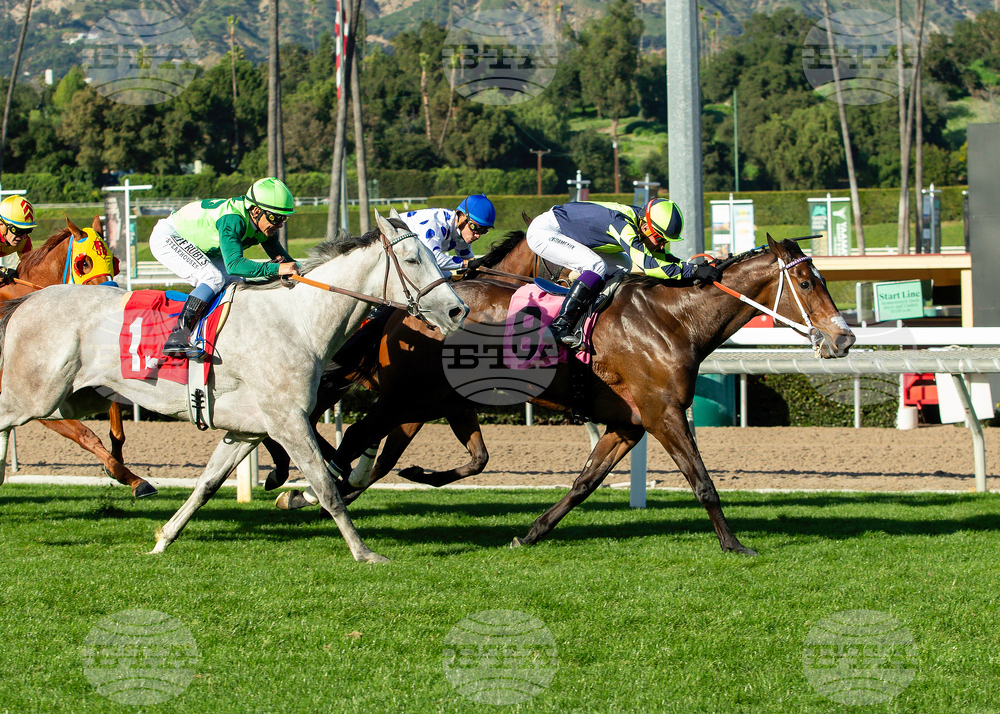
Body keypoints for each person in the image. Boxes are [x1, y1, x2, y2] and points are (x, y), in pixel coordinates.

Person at [525, 198, 723, 347]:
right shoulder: (623, 225)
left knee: (624, 265)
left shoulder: (642, 224)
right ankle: (560, 326)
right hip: (546, 232)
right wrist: (692, 271)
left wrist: (694, 268)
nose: (662, 245)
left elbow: (660, 257)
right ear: (645, 227)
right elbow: (650, 265)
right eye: (660, 239)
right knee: (595, 266)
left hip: (571, 233)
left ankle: (590, 315)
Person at [150, 177, 300, 359]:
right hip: (170, 236)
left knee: (237, 282)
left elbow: (288, 264)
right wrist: (275, 269)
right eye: (275, 217)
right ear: (255, 210)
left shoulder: (265, 226)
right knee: (212, 277)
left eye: (284, 218)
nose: (280, 224)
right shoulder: (233, 220)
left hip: (202, 246)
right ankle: (178, 335)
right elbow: (234, 265)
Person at [399, 193, 496, 272]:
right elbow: (432, 259)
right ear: (461, 217)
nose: (478, 235)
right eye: (475, 227)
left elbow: (469, 260)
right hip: (393, 246)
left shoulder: (461, 232)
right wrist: (466, 264)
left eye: (483, 231)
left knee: (448, 277)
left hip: (407, 256)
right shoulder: (437, 225)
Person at [0, 195, 36, 285]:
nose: (23, 237)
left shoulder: (25, 241)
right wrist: (2, 271)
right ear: (2, 225)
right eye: (18, 231)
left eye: (28, 231)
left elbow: (30, 266)